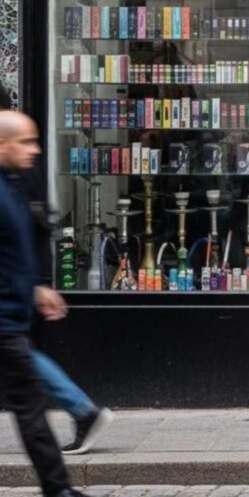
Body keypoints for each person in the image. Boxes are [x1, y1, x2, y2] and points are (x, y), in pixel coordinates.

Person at [0, 88, 113, 455]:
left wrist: (38, 282)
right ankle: (80, 412)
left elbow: (33, 224)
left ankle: (82, 411)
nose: (33, 149)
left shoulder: (18, 161)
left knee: (19, 353)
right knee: (18, 354)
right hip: (19, 280)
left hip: (15, 282)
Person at [0, 110, 89, 497]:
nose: (36, 150)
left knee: (30, 408)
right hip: (5, 321)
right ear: (2, 145)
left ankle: (58, 488)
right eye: (26, 142)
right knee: (31, 409)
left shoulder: (15, 184)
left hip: (12, 318)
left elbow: (19, 248)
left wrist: (38, 286)